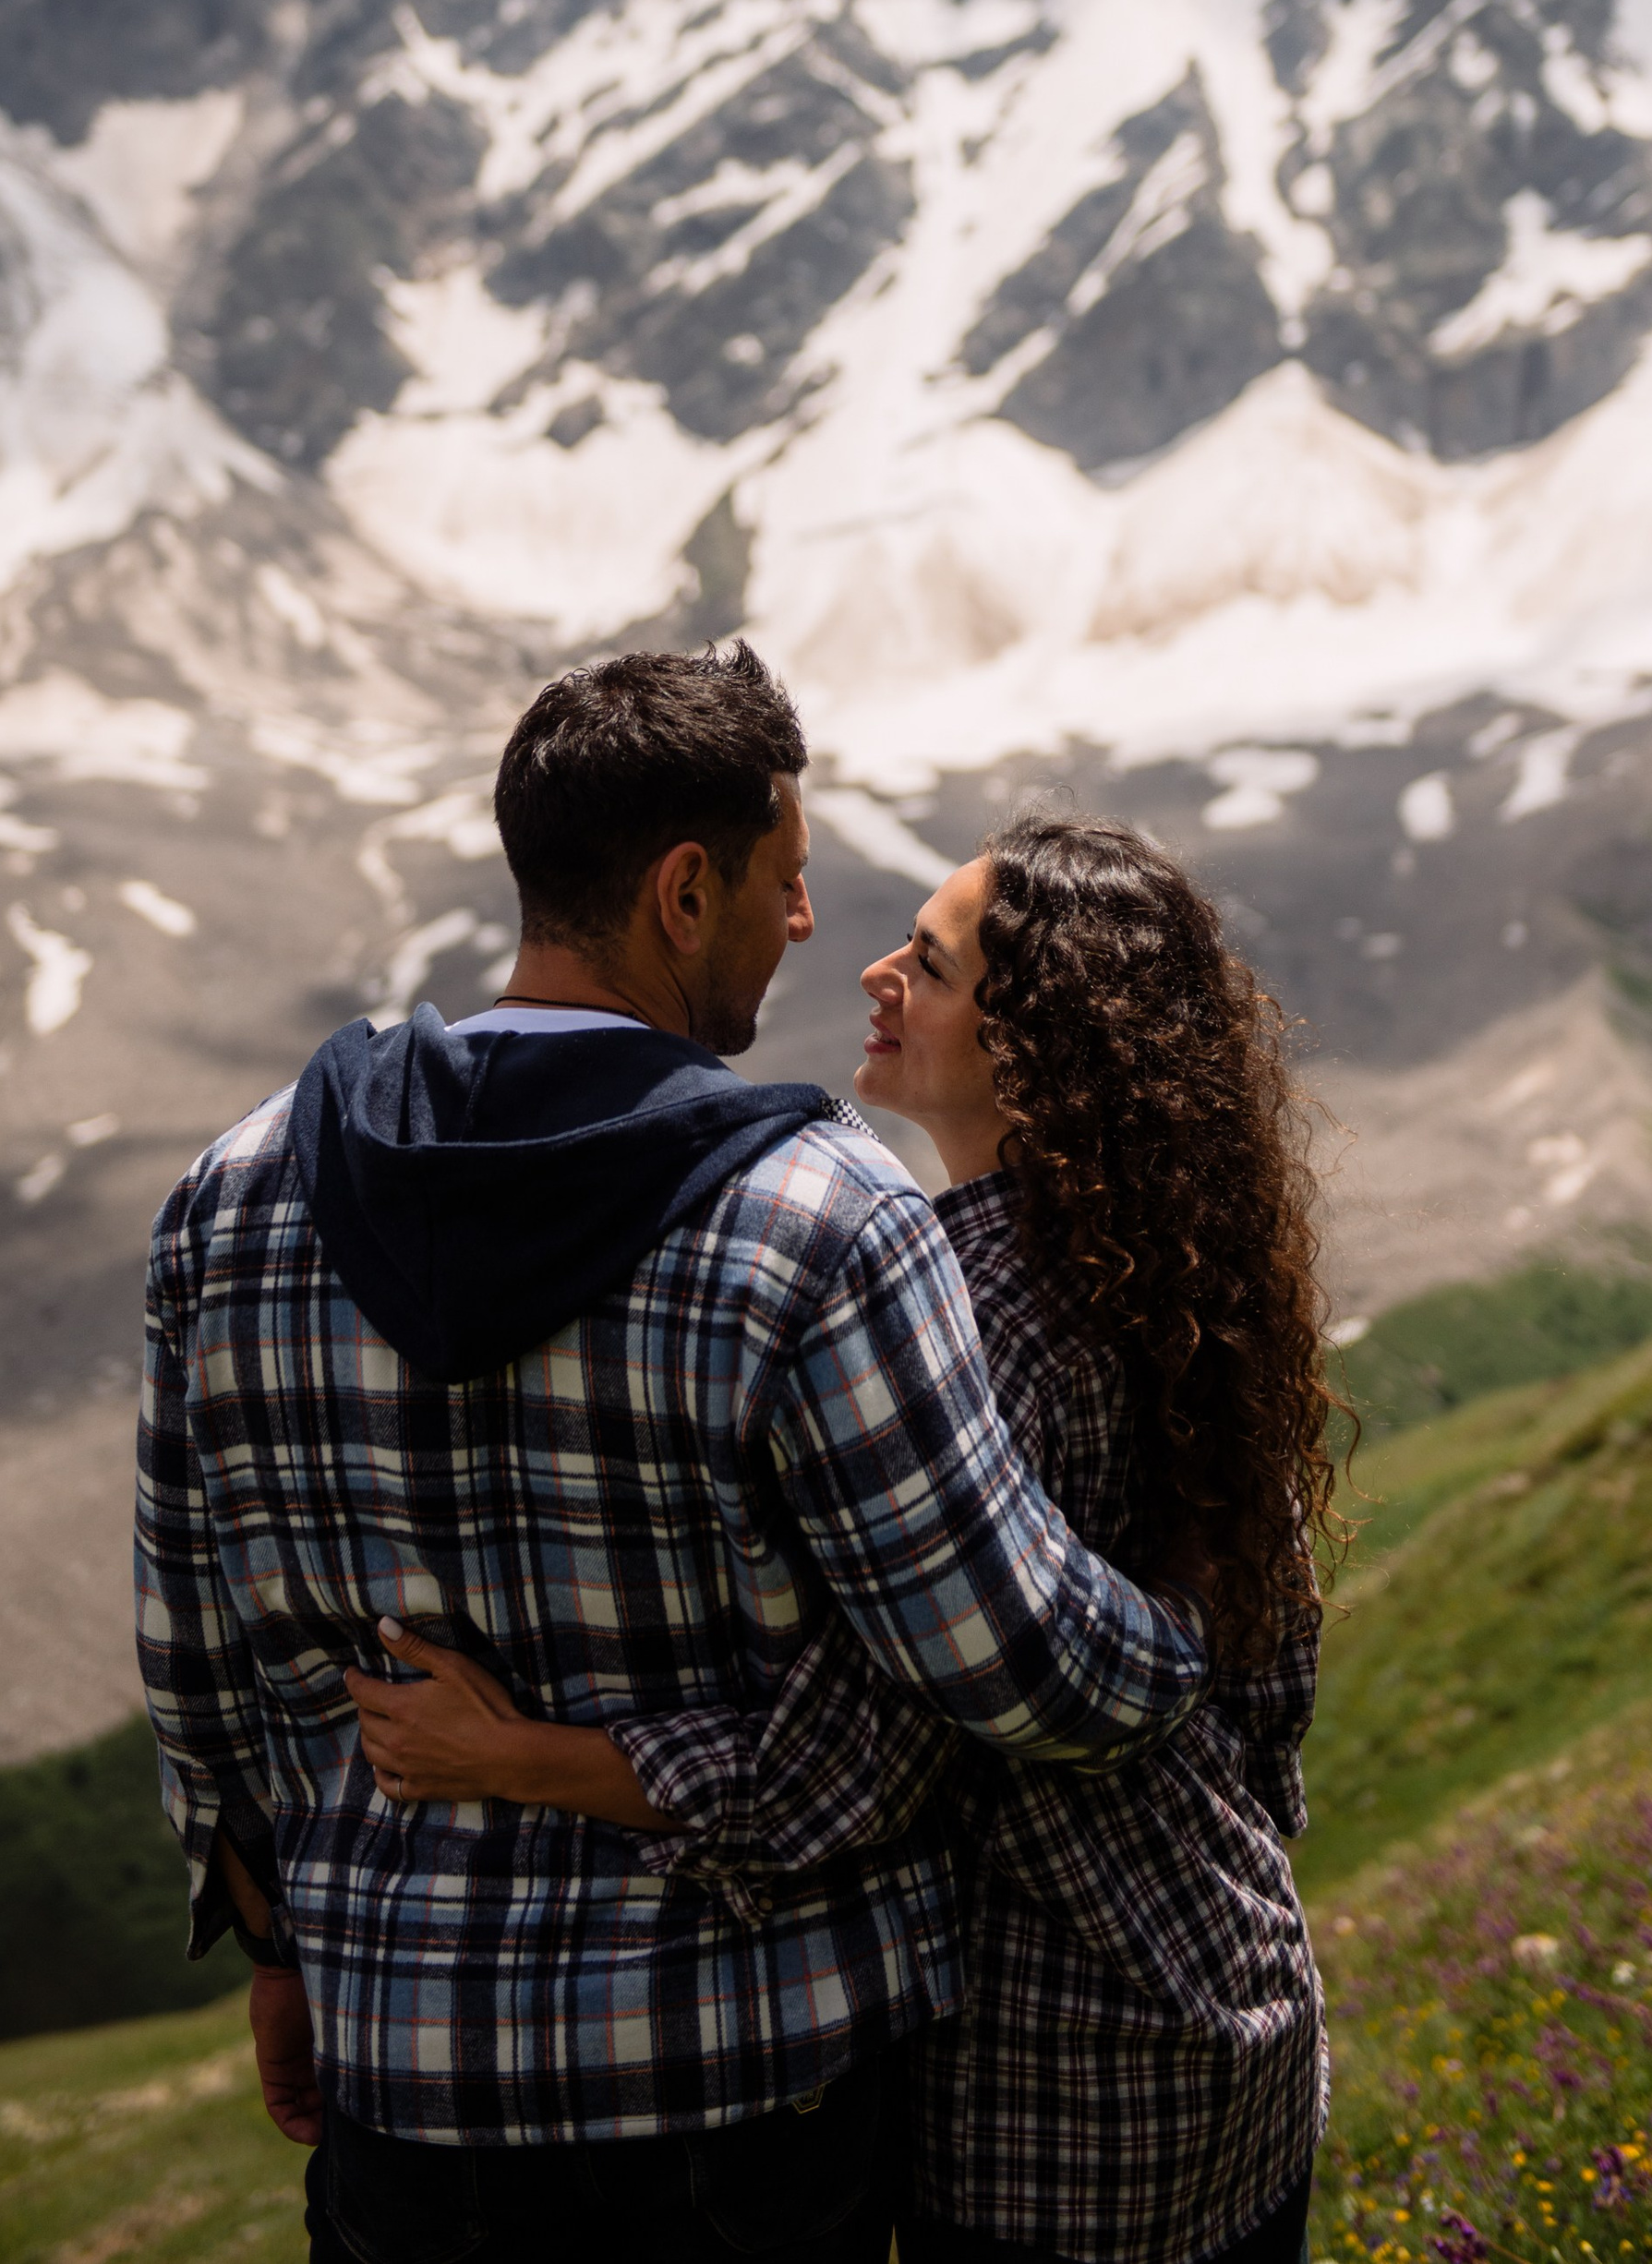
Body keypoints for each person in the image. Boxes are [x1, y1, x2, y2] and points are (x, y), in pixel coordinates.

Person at [136, 650, 1213, 2264]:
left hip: (403, 2079)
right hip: (746, 2094)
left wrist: (281, 1951)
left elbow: (198, 1646)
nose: (804, 929)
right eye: (784, 884)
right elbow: (1014, 1669)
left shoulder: (232, 1196)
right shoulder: (820, 1217)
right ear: (685, 889)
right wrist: (1188, 1617)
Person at [358, 813, 1338, 2264]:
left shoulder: (971, 1321)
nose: (877, 971)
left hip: (1055, 2078)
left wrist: (510, 1758)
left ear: (1039, 1050)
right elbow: (1272, 1686)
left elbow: (844, 1771)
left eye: (930, 967)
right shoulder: (1168, 1272)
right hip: (1237, 1995)